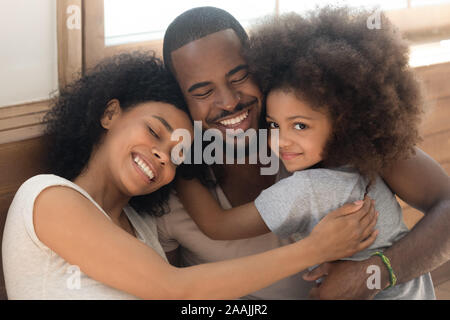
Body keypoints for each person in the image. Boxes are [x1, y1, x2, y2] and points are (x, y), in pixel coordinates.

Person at [1, 52, 377, 299]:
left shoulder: (143, 227)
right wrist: (313, 250)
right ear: (111, 114)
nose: (161, 157)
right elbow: (174, 289)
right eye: (154, 131)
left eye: (177, 153)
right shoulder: (48, 196)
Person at [158, 6, 450, 299]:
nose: (228, 101)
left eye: (239, 77)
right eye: (202, 92)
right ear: (179, 100)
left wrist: (371, 274)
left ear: (260, 66)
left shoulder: (333, 132)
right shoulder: (167, 189)